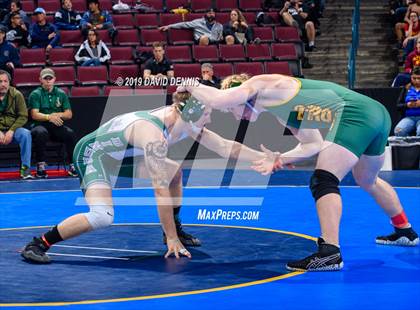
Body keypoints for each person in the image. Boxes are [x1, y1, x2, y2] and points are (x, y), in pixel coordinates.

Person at [181, 74, 419, 271]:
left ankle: (330, 253)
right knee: (367, 179)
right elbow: (312, 144)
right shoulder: (284, 110)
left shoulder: (260, 84)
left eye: (233, 109)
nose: (235, 115)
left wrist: (189, 83)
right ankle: (404, 230)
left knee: (323, 180)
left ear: (238, 92)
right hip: (377, 114)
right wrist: (280, 159)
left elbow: (220, 99)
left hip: (356, 114)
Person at [20, 92, 266, 263]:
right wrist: (169, 240)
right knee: (102, 216)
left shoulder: (184, 120)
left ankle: (176, 229)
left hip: (121, 154)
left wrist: (268, 158)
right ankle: (39, 243)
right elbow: (159, 190)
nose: (209, 119)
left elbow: (225, 147)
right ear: (188, 113)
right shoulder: (152, 132)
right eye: (206, 115)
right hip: (94, 155)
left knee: (174, 172)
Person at [27, 68, 78, 178]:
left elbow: (69, 114)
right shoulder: (35, 94)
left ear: (54, 79)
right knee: (41, 133)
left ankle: (73, 165)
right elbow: (34, 114)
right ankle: (41, 166)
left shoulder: (61, 94)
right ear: (40, 80)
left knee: (70, 134)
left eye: (50, 78)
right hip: (39, 125)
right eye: (46, 78)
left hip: (56, 125)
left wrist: (57, 115)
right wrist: (49, 117)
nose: (48, 80)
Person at [0, 69, 33, 179]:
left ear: (9, 82)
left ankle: (25, 169)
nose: (3, 84)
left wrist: (11, 130)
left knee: (25, 134)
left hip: (13, 130)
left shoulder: (17, 95)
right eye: (0, 82)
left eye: (5, 81)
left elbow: (23, 116)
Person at [159, 8, 223, 46]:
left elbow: (220, 37)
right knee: (204, 38)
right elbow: (184, 24)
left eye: (213, 13)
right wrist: (169, 26)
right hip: (201, 41)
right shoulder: (198, 22)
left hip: (214, 42)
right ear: (205, 14)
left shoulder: (219, 25)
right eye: (209, 13)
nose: (211, 15)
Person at [394, 66, 420, 136]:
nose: (417, 81)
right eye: (414, 78)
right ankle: (409, 146)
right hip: (409, 117)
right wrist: (407, 105)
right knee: (398, 131)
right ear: (410, 77)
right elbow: (398, 105)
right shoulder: (406, 88)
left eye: (419, 78)